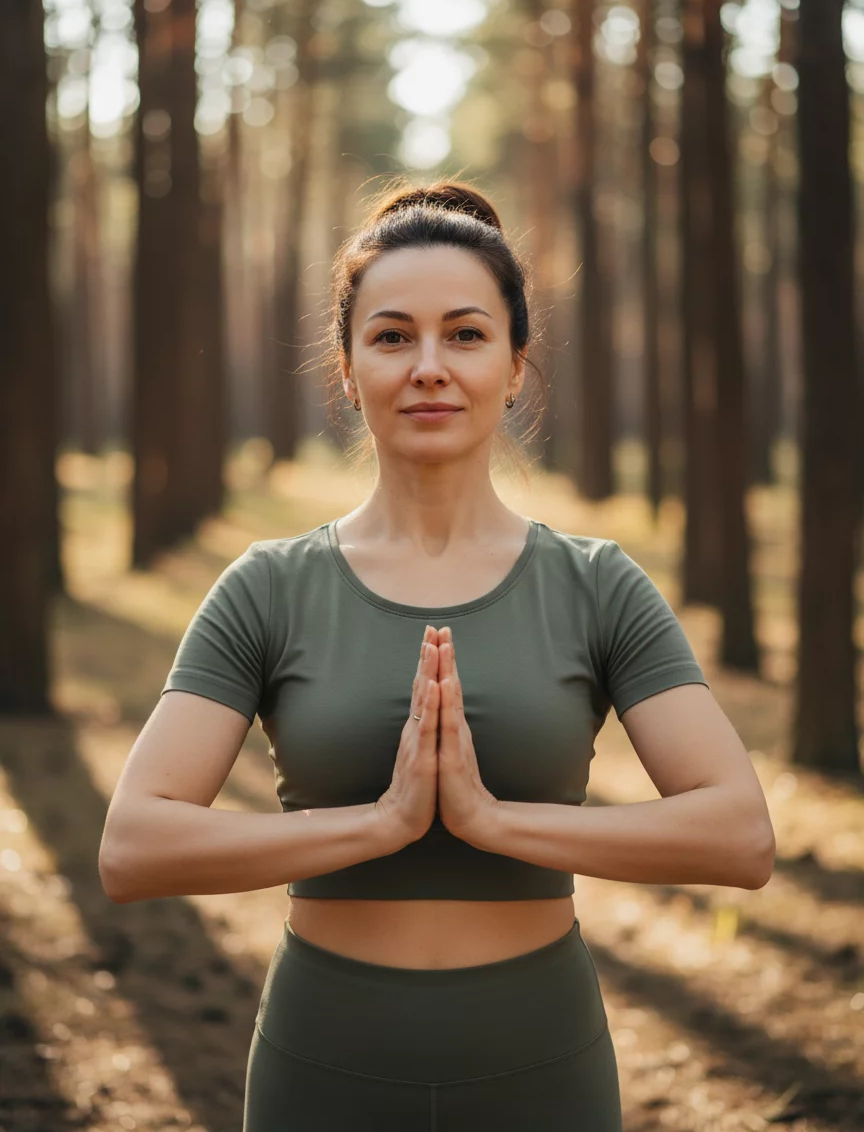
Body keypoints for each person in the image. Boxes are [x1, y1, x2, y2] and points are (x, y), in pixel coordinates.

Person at [99, 179, 776, 1130]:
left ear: (515, 365)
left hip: (541, 1063)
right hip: (322, 1062)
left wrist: (494, 822)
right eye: (391, 337)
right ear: (347, 370)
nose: (429, 367)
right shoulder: (268, 587)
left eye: (464, 334)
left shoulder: (597, 585)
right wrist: (378, 825)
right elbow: (133, 847)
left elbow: (739, 836)